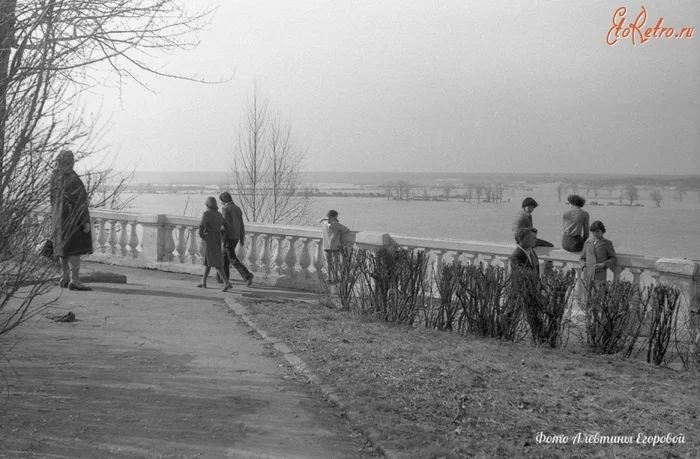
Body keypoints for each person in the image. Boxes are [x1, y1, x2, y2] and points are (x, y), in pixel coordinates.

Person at [50, 150, 93, 291]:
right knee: (74, 249)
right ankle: (75, 280)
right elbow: (78, 201)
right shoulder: (70, 177)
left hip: (58, 217)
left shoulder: (55, 176)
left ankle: (65, 277)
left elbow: (52, 199)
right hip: (72, 218)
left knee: (64, 248)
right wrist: (84, 221)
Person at [197, 197, 232, 292]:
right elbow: (228, 226)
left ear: (207, 204)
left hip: (209, 239)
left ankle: (226, 282)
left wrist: (202, 235)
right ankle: (203, 281)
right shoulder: (219, 214)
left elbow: (201, 226)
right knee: (209, 260)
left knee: (215, 261)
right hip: (216, 238)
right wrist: (221, 233)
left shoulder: (206, 214)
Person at [219, 192, 254, 287]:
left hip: (229, 236)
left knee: (231, 258)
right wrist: (242, 237)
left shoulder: (226, 209)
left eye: (221, 201)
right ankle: (223, 279)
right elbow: (241, 224)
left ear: (223, 201)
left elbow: (225, 225)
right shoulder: (237, 208)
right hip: (236, 236)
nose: (221, 203)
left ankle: (247, 275)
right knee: (225, 257)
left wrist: (223, 237)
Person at [580, 220, 616, 288]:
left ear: (602, 231)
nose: (595, 233)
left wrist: (604, 264)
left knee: (597, 296)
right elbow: (582, 258)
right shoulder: (588, 243)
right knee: (586, 295)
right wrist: (584, 267)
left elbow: (613, 258)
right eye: (593, 231)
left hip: (600, 275)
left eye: (597, 231)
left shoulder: (607, 243)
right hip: (588, 274)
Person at [320, 210, 349, 283]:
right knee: (335, 263)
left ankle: (328, 278)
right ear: (334, 216)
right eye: (336, 216)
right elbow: (346, 229)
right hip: (335, 246)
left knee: (328, 263)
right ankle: (335, 277)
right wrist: (337, 221)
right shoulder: (336, 224)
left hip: (326, 245)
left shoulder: (323, 223)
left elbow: (321, 220)